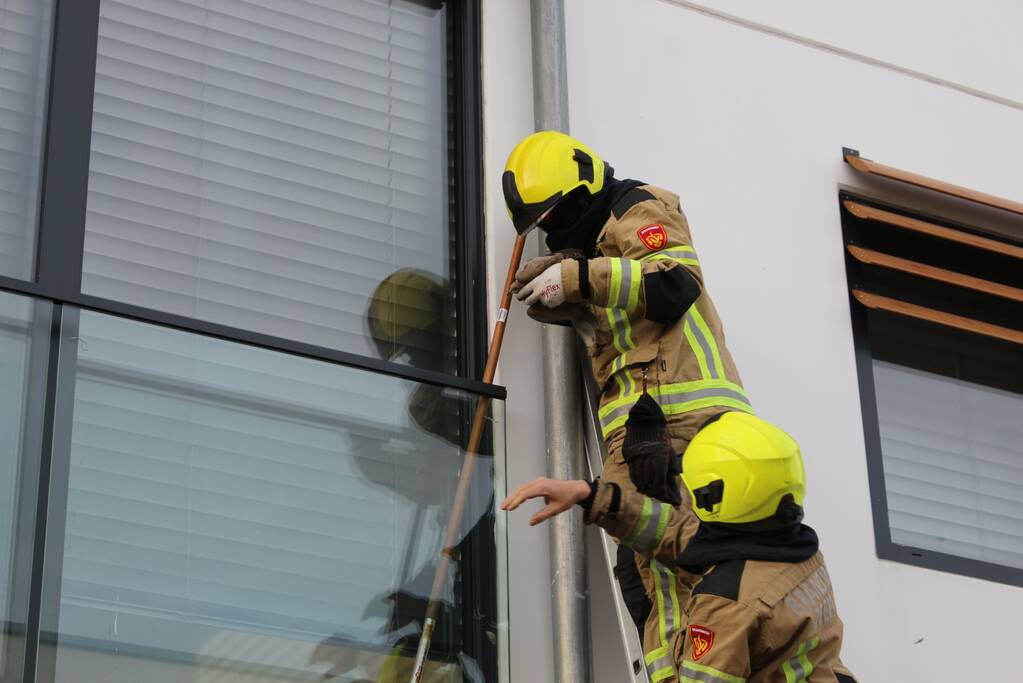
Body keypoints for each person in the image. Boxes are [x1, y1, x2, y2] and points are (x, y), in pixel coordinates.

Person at [503, 130, 753, 679]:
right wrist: (573, 296)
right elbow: (627, 328)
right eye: (541, 224)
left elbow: (673, 285)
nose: (549, 229)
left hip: (688, 421)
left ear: (585, 187)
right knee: (643, 572)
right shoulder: (598, 242)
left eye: (555, 215)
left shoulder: (637, 207)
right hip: (639, 429)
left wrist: (575, 277)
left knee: (691, 563)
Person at [501, 412, 858, 683]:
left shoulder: (727, 603)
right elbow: (682, 536)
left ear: (713, 496)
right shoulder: (797, 547)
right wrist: (593, 495)